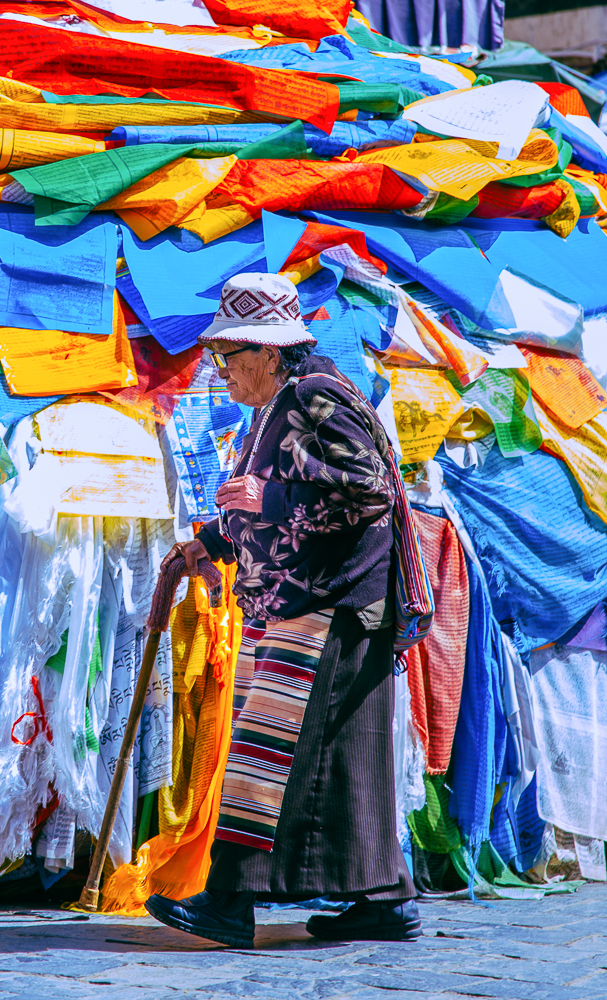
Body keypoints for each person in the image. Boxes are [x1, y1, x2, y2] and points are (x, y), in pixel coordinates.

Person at [146, 272, 419, 946]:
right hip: (321, 603)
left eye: (231, 355)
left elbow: (368, 492)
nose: (223, 369)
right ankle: (382, 901)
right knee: (344, 758)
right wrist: (206, 543)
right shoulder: (278, 405)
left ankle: (230, 901)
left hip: (332, 604)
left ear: (270, 353)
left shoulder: (316, 396)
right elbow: (263, 496)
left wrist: (267, 504)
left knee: (266, 755)